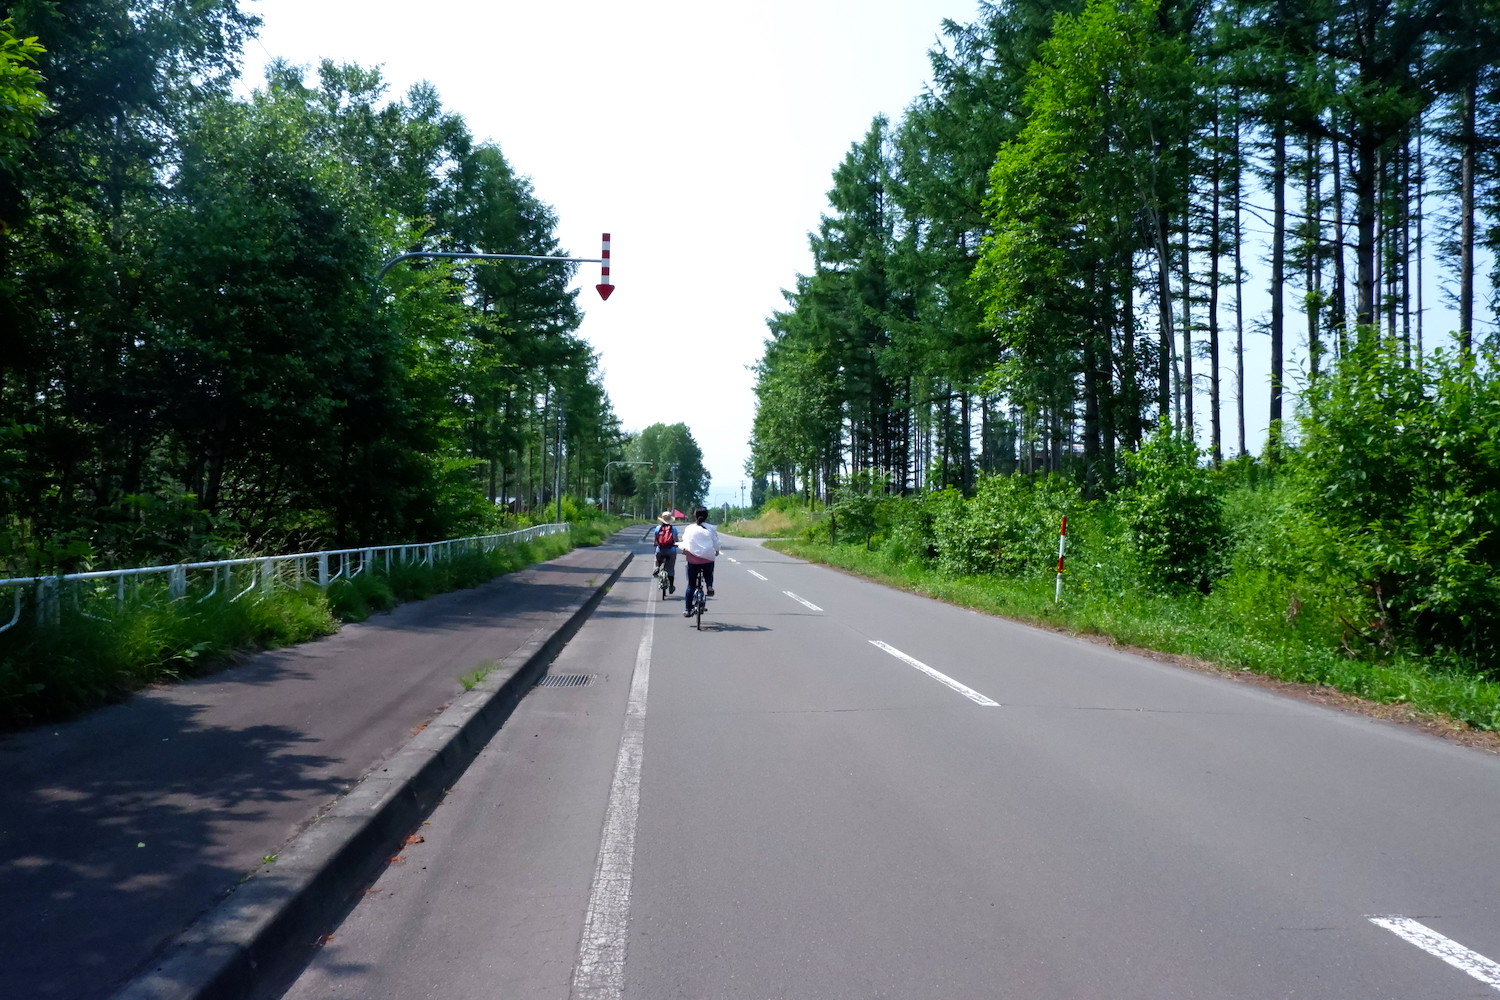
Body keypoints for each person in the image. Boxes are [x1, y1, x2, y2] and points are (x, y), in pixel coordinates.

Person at [678, 506, 720, 617]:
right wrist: (716, 551)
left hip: (693, 560)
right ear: (706, 517)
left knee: (691, 586)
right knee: (709, 571)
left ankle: (687, 610)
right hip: (707, 559)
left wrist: (685, 550)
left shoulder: (689, 528)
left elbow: (685, 541)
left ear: (694, 516)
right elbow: (716, 542)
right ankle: (709, 586)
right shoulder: (711, 528)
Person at [643, 511, 679, 593]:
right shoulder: (674, 529)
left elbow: (655, 541)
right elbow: (676, 541)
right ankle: (671, 586)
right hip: (671, 551)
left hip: (660, 550)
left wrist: (655, 544)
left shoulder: (657, 528)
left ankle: (657, 567)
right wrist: (676, 545)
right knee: (670, 569)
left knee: (657, 558)